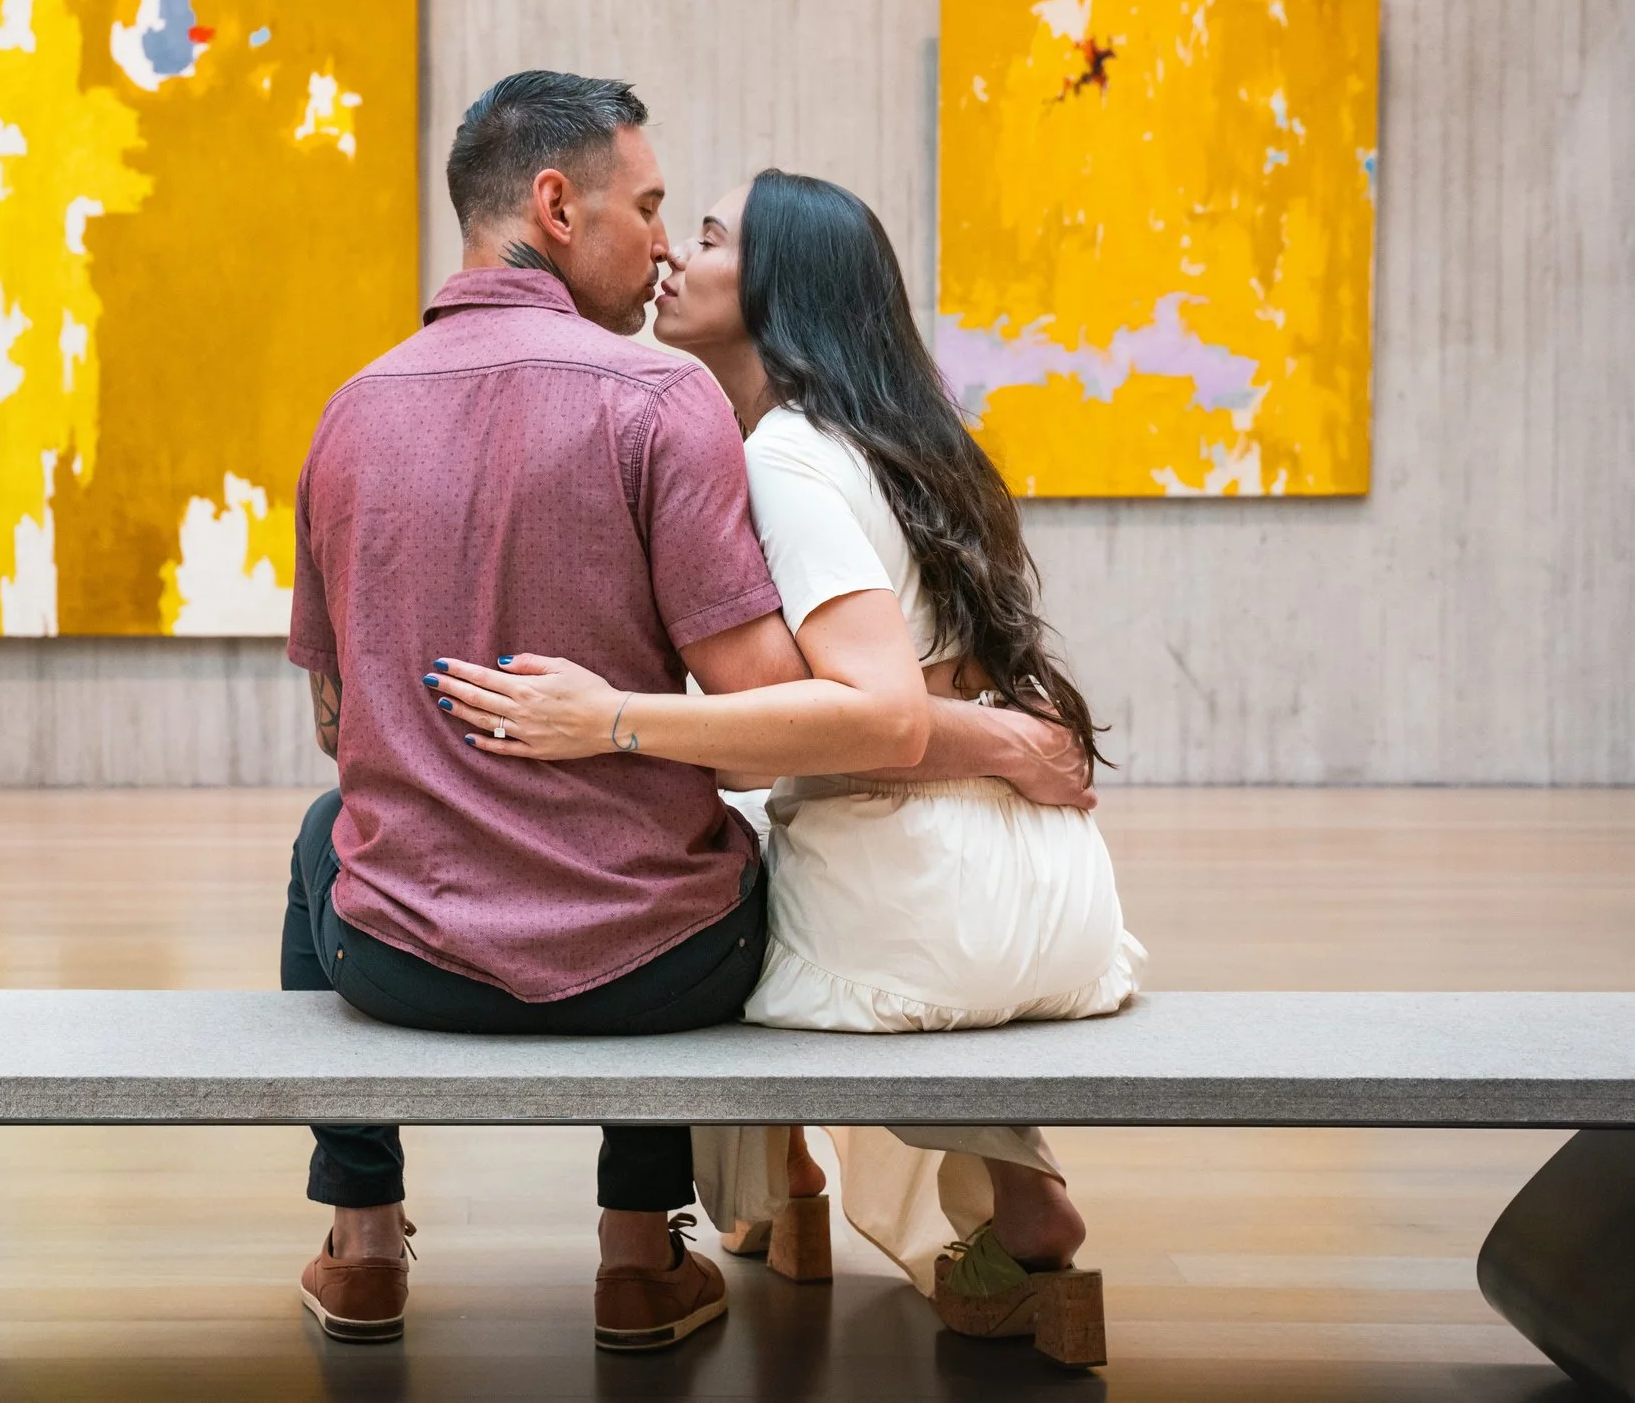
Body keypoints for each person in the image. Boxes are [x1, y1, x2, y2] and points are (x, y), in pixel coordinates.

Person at [283, 77, 1094, 1351]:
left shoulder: (349, 413)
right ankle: (636, 1257)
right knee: (700, 854)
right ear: (555, 206)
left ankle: (363, 1239)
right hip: (652, 974)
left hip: (404, 969)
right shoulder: (662, 405)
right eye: (651, 206)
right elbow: (777, 701)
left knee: (326, 832)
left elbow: (342, 723)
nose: (663, 242)